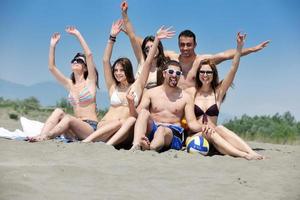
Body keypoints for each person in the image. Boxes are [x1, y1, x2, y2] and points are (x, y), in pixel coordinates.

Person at [82, 20, 175, 144]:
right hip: (105, 127)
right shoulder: (112, 87)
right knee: (121, 122)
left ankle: (105, 145)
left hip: (123, 131)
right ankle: (87, 142)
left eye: (122, 70)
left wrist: (157, 39)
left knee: (128, 121)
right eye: (116, 70)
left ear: (129, 71)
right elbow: (105, 61)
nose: (118, 73)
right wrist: (112, 38)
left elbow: (147, 63)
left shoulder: (137, 86)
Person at [190, 32, 264, 160]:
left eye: (208, 72)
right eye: (202, 71)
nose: (205, 74)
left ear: (213, 74)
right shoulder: (192, 93)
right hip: (198, 138)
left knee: (220, 128)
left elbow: (233, 68)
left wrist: (239, 47)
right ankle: (244, 155)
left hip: (216, 138)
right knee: (211, 131)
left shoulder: (218, 92)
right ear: (198, 74)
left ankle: (251, 152)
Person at [28, 27, 99, 142]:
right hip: (73, 130)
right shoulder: (69, 84)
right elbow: (51, 68)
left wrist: (77, 34)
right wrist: (52, 46)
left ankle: (46, 136)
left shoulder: (90, 82)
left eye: (80, 60)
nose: (76, 61)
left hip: (89, 128)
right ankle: (41, 135)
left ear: (85, 68)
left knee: (68, 118)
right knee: (58, 111)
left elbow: (89, 55)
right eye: (74, 60)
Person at [130, 60, 204, 152]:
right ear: (164, 74)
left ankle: (150, 147)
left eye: (177, 73)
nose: (174, 75)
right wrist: (131, 103)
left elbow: (192, 123)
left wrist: (205, 127)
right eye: (171, 72)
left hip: (172, 132)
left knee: (161, 130)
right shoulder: (151, 93)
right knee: (144, 112)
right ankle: (136, 145)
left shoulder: (186, 97)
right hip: (153, 128)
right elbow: (137, 115)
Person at [121, 1, 169, 89]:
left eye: (152, 46)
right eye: (147, 48)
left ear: (158, 47)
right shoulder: (142, 61)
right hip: (136, 100)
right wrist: (124, 13)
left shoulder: (165, 66)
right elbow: (132, 36)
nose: (150, 50)